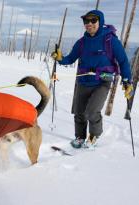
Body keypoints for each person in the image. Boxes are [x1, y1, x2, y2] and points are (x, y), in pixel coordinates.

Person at [51, 10, 133, 149]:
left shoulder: (111, 40)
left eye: (93, 20)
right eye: (86, 21)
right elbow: (70, 58)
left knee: (92, 111)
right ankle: (80, 137)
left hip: (102, 81)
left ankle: (94, 135)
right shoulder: (82, 42)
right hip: (84, 81)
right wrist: (60, 58)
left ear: (100, 21)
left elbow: (123, 61)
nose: (89, 24)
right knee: (79, 112)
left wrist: (127, 80)